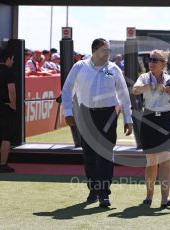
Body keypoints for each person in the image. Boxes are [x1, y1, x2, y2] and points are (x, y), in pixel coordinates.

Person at [61, 38, 133, 208]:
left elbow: (124, 95)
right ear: (94, 50)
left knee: (106, 155)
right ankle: (93, 190)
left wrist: (128, 119)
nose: (108, 53)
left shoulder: (114, 69)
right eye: (105, 50)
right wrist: (68, 112)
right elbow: (67, 89)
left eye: (109, 50)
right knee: (89, 154)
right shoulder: (80, 67)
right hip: (86, 115)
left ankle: (104, 194)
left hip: (108, 115)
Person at [132, 49, 170, 208]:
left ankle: (165, 199)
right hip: (149, 119)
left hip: (165, 120)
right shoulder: (144, 78)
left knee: (165, 162)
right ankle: (149, 197)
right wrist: (151, 86)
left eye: (155, 60)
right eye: (150, 59)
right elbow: (135, 90)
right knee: (151, 162)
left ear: (163, 64)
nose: (151, 62)